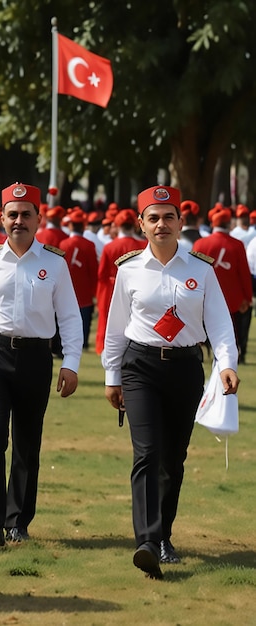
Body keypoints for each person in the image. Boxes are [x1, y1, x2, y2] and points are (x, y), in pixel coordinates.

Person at [102, 185, 239, 580]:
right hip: (140, 367)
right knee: (146, 452)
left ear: (181, 222)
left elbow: (220, 326)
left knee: (172, 458)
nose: (162, 224)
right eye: (153, 218)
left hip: (184, 368)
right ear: (141, 224)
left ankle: (163, 536)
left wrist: (227, 363)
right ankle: (146, 541)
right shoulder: (128, 270)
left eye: (169, 217)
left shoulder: (201, 269)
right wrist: (113, 376)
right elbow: (115, 330)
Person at [0, 182, 83, 547]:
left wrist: (70, 362)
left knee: (27, 442)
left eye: (27, 214)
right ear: (1, 218)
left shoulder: (54, 264)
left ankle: (17, 522)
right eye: (13, 214)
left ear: (39, 219)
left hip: (36, 357)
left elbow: (71, 318)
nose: (19, 221)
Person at [192, 207, 252, 363]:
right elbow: (244, 273)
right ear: (228, 224)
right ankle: (234, 354)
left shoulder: (200, 243)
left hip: (205, 296)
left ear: (212, 223)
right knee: (232, 330)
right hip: (232, 297)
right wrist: (247, 297)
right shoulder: (237, 244)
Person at [95, 209, 147, 354]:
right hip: (138, 287)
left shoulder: (109, 247)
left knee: (108, 318)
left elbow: (102, 274)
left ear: (117, 226)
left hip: (111, 287)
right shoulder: (143, 245)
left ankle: (104, 347)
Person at [60, 208, 99, 349]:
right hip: (84, 289)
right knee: (84, 318)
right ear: (83, 226)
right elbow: (94, 270)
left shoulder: (63, 244)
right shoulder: (89, 245)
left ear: (70, 226)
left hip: (66, 287)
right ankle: (83, 342)